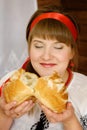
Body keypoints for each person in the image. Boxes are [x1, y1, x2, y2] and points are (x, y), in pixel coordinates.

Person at [0, 5, 87, 130]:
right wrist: (4, 115)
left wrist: (69, 121)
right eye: (38, 46)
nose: (46, 56)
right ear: (29, 48)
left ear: (72, 52)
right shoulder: (9, 83)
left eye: (58, 47)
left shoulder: (84, 91)